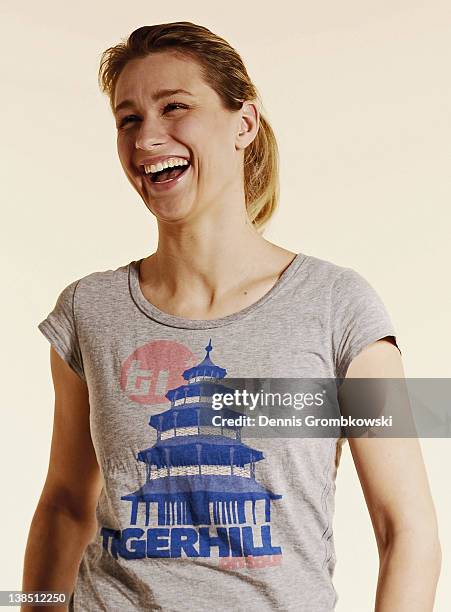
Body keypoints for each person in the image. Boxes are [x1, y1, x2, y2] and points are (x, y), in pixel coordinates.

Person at [22, 22, 441, 612]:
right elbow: (64, 503)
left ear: (243, 123)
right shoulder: (89, 309)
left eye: (175, 107)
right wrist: (30, 608)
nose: (147, 138)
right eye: (128, 119)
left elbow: (408, 531)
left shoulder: (338, 307)